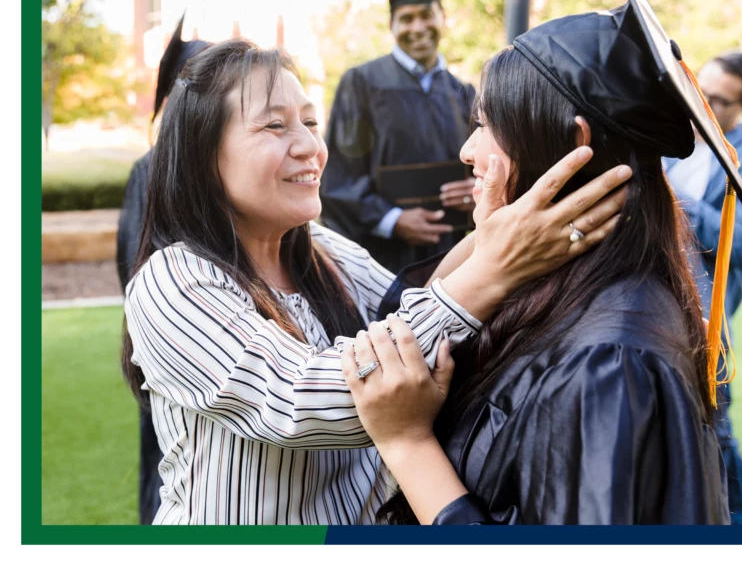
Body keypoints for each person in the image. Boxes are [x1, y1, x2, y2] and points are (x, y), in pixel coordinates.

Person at [121, 37, 629, 525]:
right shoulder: (173, 282)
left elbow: (412, 307)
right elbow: (312, 398)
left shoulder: (319, 250)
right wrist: (496, 266)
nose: (310, 147)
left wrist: (500, 223)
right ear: (202, 156)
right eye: (275, 126)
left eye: (311, 121)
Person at [342, 0, 742, 525]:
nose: (466, 149)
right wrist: (496, 237)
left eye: (488, 126)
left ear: (573, 148)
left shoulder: (610, 369)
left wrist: (408, 443)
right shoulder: (565, 290)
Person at [116, 13, 210, 525]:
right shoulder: (150, 170)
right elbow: (135, 265)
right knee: (168, 470)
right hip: (173, 353)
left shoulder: (223, 166)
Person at [320, 0, 478, 274]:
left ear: (443, 18)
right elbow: (340, 177)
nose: (417, 28)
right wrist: (392, 220)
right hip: (382, 263)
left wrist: (476, 194)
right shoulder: (362, 84)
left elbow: (482, 169)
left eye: (427, 16)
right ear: (392, 25)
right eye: (406, 18)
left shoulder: (463, 93)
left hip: (450, 262)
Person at [663, 51, 742, 525]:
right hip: (657, 304)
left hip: (708, 315)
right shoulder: (673, 141)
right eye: (700, 90)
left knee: (715, 430)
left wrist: (674, 197)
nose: (703, 104)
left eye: (719, 101)